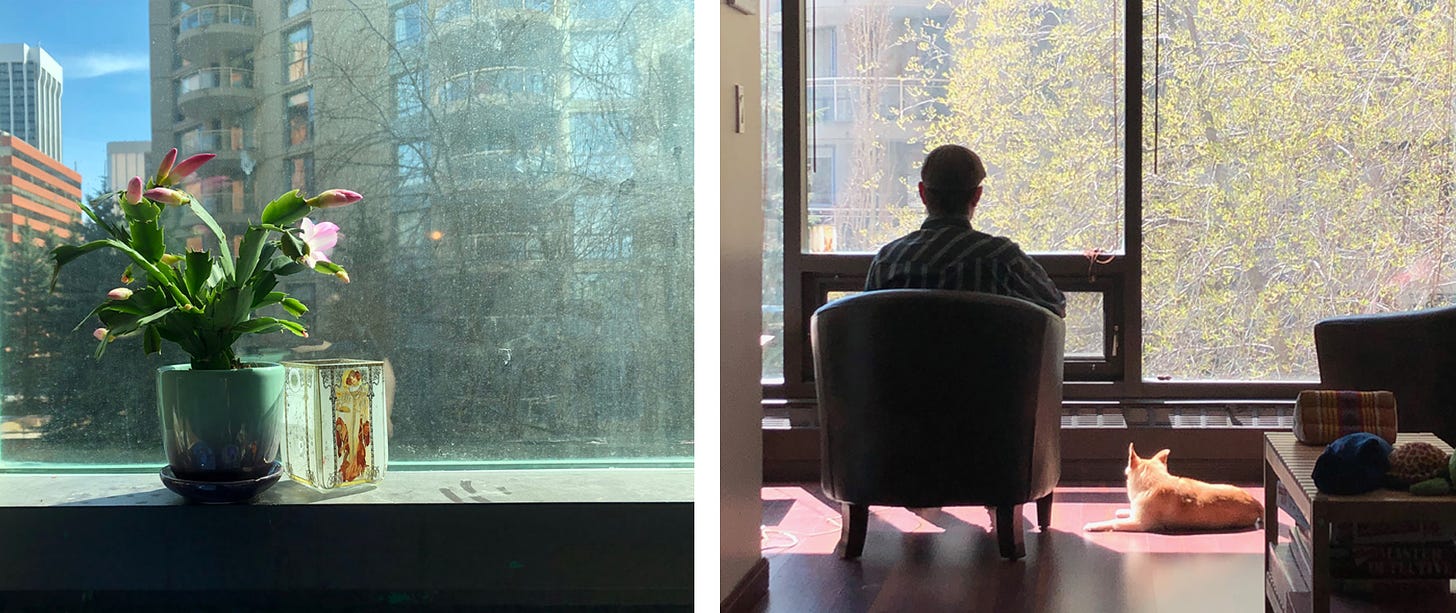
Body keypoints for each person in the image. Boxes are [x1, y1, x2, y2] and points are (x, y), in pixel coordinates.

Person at [864, 144, 1066, 317]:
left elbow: (867, 322)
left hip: (902, 364)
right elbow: (1055, 305)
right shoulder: (1002, 257)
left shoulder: (888, 260)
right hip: (987, 363)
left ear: (922, 193)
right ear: (977, 196)